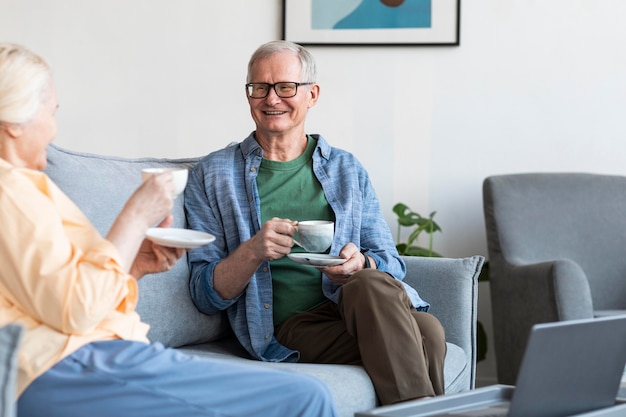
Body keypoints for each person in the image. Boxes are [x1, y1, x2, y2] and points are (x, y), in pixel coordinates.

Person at [0, 42, 338, 417]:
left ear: (312, 95)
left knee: (309, 391)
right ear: (14, 123)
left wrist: (135, 265)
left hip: (94, 352)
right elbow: (76, 311)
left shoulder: (30, 188)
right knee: (305, 398)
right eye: (50, 113)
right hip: (66, 362)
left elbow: (63, 294)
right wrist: (135, 215)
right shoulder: (8, 190)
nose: (53, 130)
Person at [185, 40, 447, 405]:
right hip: (291, 327)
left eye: (285, 87)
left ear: (312, 94)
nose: (271, 99)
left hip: (352, 307)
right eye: (259, 87)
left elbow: (391, 261)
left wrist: (362, 263)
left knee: (370, 284)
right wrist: (252, 252)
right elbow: (203, 293)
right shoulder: (214, 175)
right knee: (429, 334)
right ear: (249, 95)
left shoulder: (345, 169)